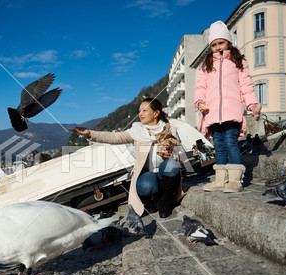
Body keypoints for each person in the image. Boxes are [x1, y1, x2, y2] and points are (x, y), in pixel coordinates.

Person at [70, 97, 184, 234]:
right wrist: (90, 134)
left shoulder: (170, 130)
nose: (140, 114)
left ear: (156, 113)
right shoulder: (137, 131)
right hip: (148, 174)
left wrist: (172, 154)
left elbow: (182, 153)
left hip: (165, 173)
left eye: (144, 110)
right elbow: (115, 137)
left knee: (171, 164)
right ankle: (152, 201)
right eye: (139, 111)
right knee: (146, 185)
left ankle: (165, 202)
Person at [194, 20, 261, 193]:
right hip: (212, 111)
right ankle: (220, 180)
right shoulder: (207, 64)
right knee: (218, 144)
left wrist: (252, 104)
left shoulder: (238, 60)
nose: (217, 47)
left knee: (231, 142)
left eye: (221, 43)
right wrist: (199, 101)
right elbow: (201, 86)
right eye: (214, 44)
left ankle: (234, 181)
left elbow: (246, 84)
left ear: (228, 42)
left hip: (232, 110)